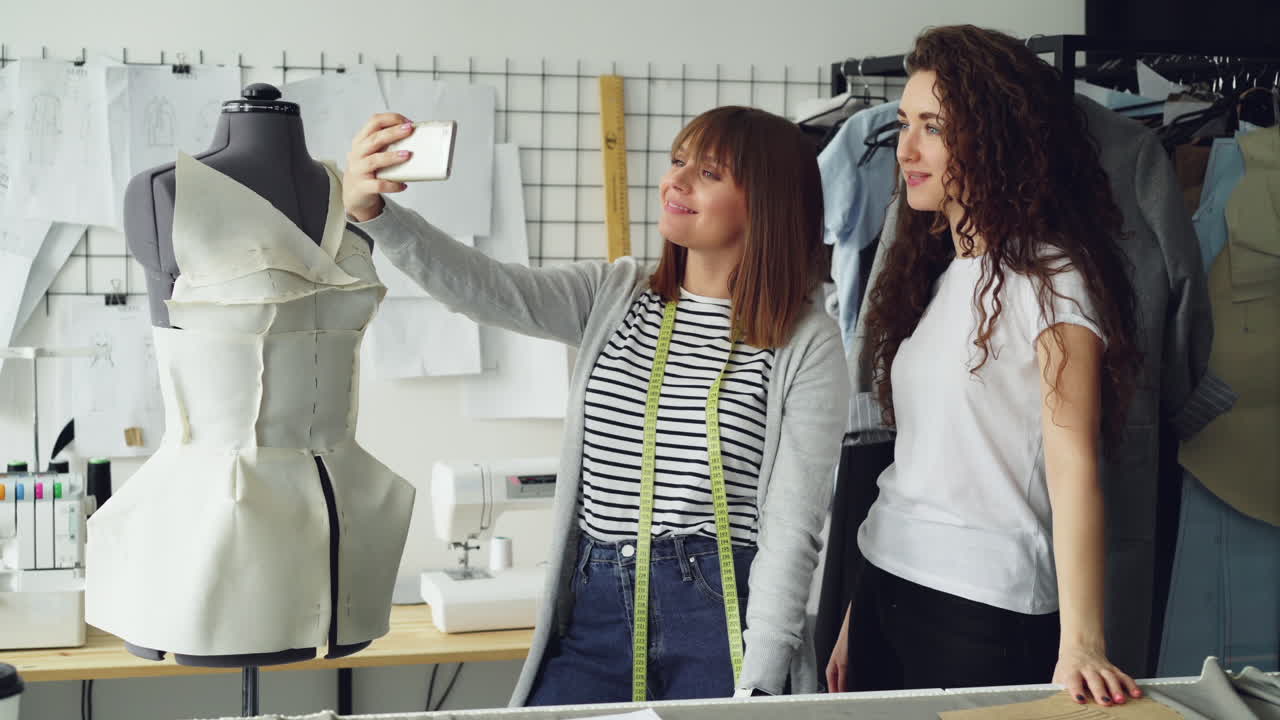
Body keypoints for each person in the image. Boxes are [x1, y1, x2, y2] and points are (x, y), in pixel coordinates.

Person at [344, 106, 849, 705]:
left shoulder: (805, 341)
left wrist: (762, 679)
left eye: (709, 173)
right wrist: (375, 214)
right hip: (598, 607)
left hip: (720, 620)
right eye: (678, 161)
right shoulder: (614, 294)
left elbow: (792, 529)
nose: (676, 182)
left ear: (767, 202)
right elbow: (484, 288)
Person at [824, 26, 1145, 707]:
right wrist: (859, 612)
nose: (905, 149)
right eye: (906, 123)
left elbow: (1073, 468)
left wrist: (1083, 642)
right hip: (889, 585)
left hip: (982, 614)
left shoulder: (1053, 281)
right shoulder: (941, 273)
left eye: (933, 127)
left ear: (996, 137)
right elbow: (918, 466)